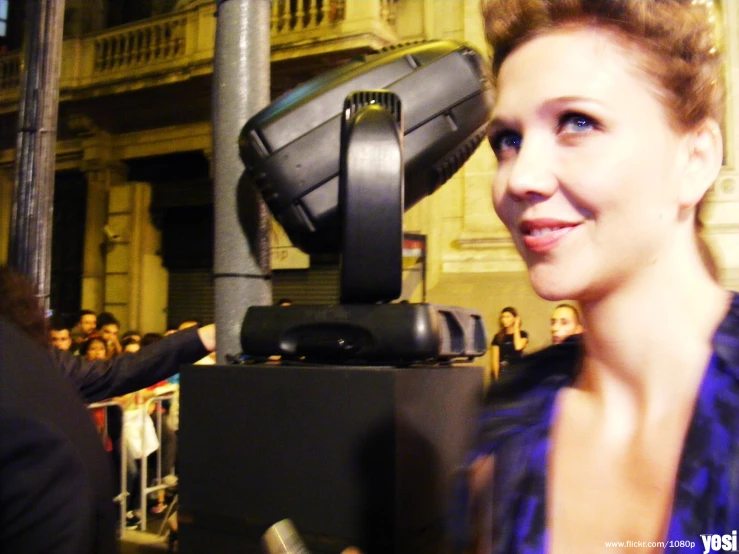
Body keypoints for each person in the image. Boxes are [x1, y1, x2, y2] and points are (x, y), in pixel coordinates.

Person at [454, 1, 739, 552]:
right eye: (507, 140)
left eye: (577, 123)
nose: (521, 177)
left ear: (696, 158)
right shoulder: (511, 411)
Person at [489, 307, 528, 380]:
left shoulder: (523, 334)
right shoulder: (498, 337)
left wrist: (516, 327)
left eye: (508, 317)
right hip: (503, 372)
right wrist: (497, 379)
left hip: (518, 372)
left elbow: (518, 346)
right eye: (503, 317)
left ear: (514, 318)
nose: (504, 320)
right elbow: (495, 360)